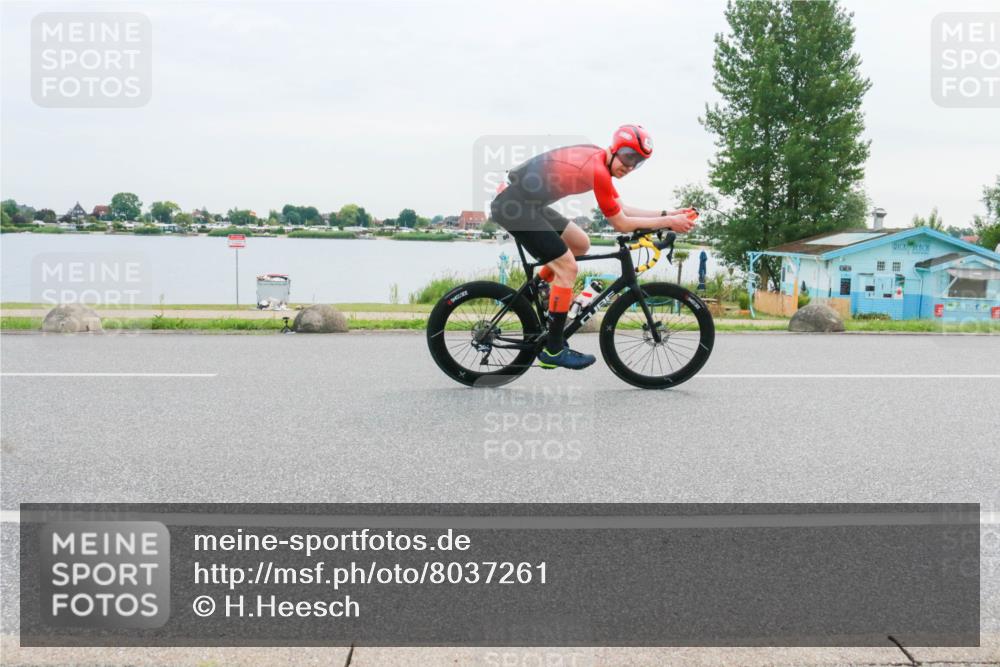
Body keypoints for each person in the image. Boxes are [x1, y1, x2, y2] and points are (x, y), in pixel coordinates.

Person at [490, 124, 699, 370]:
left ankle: (533, 290)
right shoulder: (597, 169)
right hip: (515, 206)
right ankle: (554, 349)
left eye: (638, 163)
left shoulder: (600, 161)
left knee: (580, 244)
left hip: (526, 204)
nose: (630, 166)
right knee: (567, 268)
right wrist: (668, 222)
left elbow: (623, 208)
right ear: (615, 149)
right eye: (628, 157)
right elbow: (621, 223)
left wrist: (669, 213)